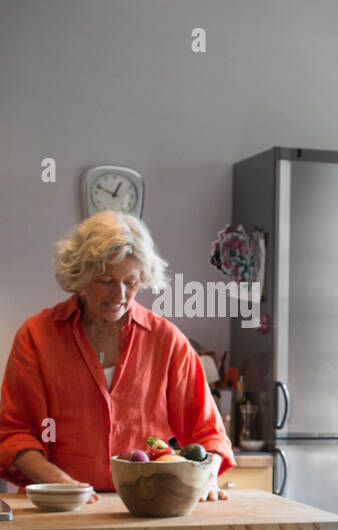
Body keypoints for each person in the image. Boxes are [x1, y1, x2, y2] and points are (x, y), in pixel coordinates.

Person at [0, 211, 233, 501]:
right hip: (57, 505)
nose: (119, 294)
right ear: (81, 277)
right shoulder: (36, 336)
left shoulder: (167, 341)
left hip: (146, 508)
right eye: (105, 280)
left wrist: (207, 478)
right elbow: (15, 433)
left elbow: (208, 434)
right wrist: (63, 485)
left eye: (130, 282)